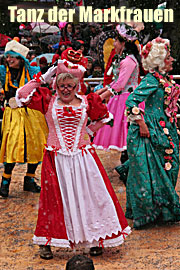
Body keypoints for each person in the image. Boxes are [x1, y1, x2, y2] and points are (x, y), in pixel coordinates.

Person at [15, 59, 131, 259]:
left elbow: (104, 118)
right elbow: (21, 96)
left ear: (77, 86)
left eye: (69, 86)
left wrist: (87, 131)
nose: (65, 90)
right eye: (61, 86)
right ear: (55, 86)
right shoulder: (48, 101)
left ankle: (95, 239)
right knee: (54, 201)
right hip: (56, 158)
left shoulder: (88, 101)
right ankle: (47, 242)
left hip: (83, 157)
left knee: (89, 197)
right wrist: (41, 79)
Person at [125, 37, 180, 229]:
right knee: (157, 169)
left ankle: (162, 208)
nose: (172, 60)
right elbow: (131, 101)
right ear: (159, 60)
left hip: (168, 128)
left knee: (169, 167)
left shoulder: (165, 79)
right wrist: (141, 123)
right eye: (168, 57)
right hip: (155, 130)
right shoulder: (151, 80)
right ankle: (156, 210)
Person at [0, 40, 48, 198]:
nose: (9, 60)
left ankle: (29, 179)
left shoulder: (32, 70)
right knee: (13, 146)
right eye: (7, 57)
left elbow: (43, 84)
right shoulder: (2, 71)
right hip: (13, 113)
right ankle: (5, 182)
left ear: (21, 58)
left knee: (35, 145)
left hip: (32, 113)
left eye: (12, 57)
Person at [93, 23, 142, 162]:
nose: (114, 44)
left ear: (123, 43)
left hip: (127, 99)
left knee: (127, 131)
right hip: (122, 98)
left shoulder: (128, 61)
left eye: (116, 41)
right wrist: (100, 94)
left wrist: (101, 96)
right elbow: (116, 82)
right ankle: (127, 163)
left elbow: (120, 85)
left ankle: (128, 165)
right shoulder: (125, 60)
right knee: (124, 132)